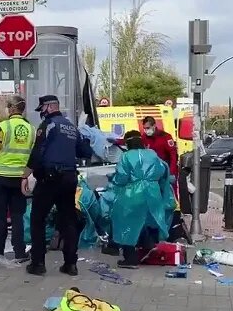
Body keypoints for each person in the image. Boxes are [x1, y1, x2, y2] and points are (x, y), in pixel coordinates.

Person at [21, 95, 93, 276]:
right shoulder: (72, 127)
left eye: (42, 109)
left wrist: (25, 174)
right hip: (69, 178)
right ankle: (70, 264)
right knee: (68, 220)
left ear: (50, 107)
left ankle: (37, 263)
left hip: (49, 179)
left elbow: (37, 151)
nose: (41, 113)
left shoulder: (48, 125)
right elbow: (85, 152)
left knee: (38, 219)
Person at [108, 131, 174, 268]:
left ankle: (130, 258)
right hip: (152, 192)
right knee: (146, 220)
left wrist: (113, 180)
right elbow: (162, 170)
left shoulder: (126, 156)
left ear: (128, 143)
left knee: (126, 222)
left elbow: (122, 177)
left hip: (133, 193)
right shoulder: (151, 154)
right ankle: (148, 245)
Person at [0, 95, 34, 262]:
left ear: (12, 109)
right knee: (17, 216)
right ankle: (19, 251)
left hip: (0, 178)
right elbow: (34, 155)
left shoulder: (2, 127)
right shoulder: (31, 129)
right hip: (19, 179)